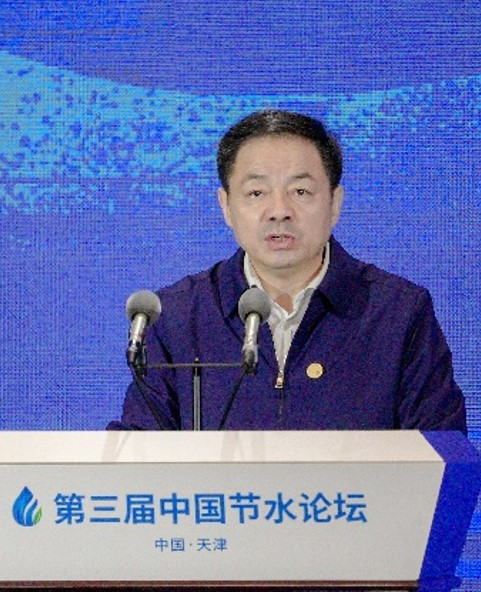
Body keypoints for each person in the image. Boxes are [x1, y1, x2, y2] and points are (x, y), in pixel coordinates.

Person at [108, 109, 466, 433]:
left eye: (300, 191)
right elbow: (137, 460)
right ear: (226, 206)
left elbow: (443, 455)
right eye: (256, 193)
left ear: (335, 203)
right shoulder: (177, 317)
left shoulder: (398, 313)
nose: (279, 211)